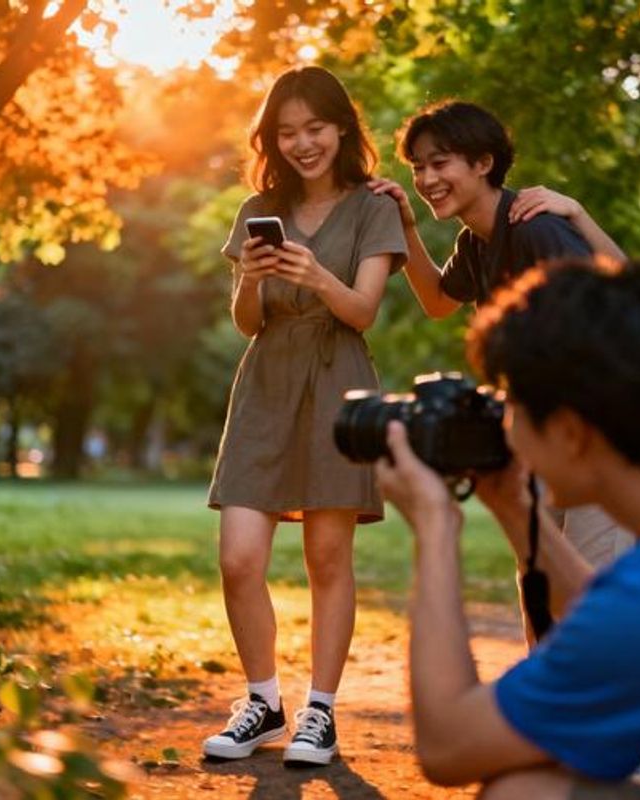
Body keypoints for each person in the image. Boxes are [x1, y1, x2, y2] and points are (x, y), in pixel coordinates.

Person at [376, 258, 640, 799]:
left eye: (512, 402)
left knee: (523, 791)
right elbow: (625, 629)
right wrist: (517, 509)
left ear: (570, 432)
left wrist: (435, 526)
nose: (505, 422)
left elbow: (448, 747)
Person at [203, 65, 407, 767]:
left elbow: (362, 311)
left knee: (327, 556)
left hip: (337, 380)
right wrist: (255, 278)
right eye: (286, 132)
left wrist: (316, 273)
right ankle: (262, 702)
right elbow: (245, 322)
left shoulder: (375, 207)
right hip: (266, 381)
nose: (302, 143)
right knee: (238, 556)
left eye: (314, 128)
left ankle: (320, 712)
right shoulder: (257, 206)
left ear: (342, 127)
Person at [369, 99, 633, 626]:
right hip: (541, 427)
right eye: (418, 166)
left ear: (483, 162)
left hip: (596, 428)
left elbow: (619, 301)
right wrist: (406, 226)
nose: (425, 177)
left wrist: (578, 211)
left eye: (439, 162)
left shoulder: (535, 226)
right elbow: (440, 302)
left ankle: (604, 702)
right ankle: (543, 706)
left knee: (589, 585)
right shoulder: (474, 242)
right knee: (538, 578)